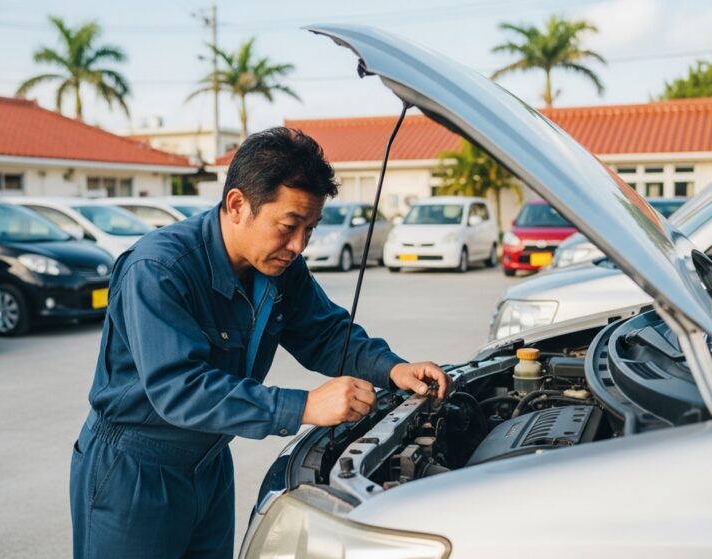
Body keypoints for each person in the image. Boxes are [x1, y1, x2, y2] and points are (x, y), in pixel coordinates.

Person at [69, 127, 450, 558]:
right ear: (237, 204)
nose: (298, 245)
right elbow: (179, 388)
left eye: (310, 228)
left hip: (209, 463)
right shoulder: (158, 269)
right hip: (134, 473)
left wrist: (394, 368)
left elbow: (324, 332)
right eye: (289, 226)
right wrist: (304, 406)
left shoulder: (280, 266)